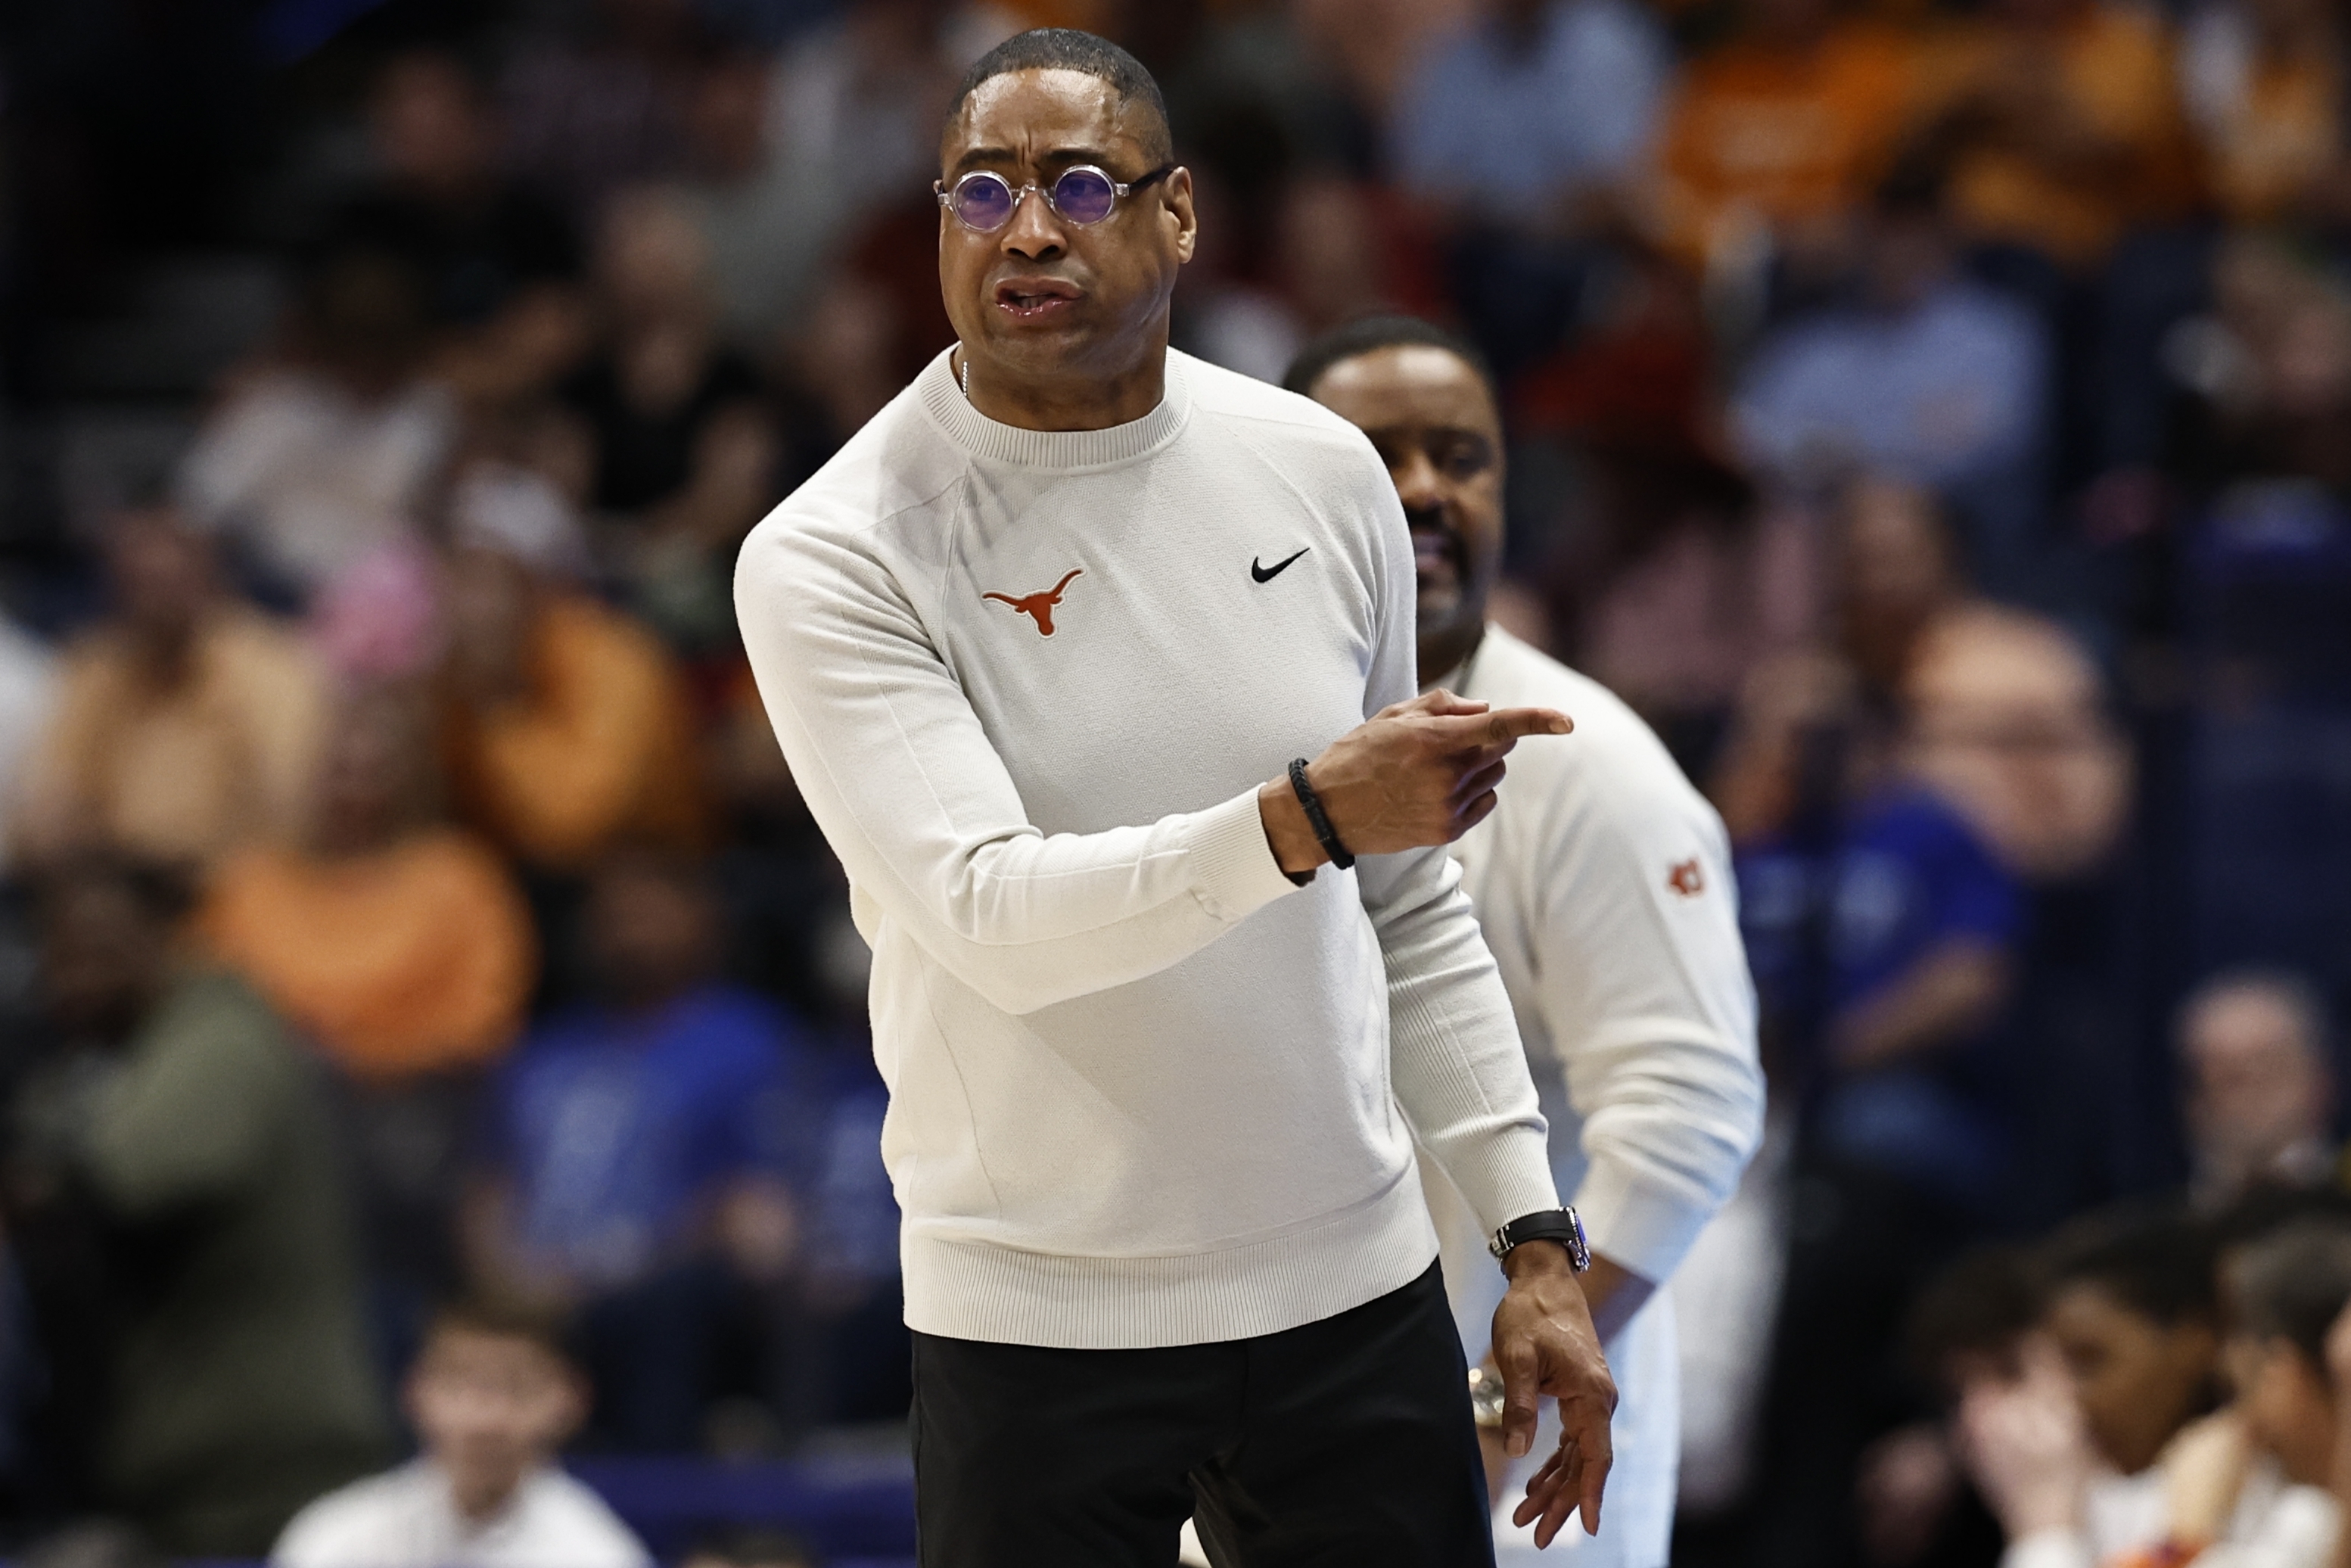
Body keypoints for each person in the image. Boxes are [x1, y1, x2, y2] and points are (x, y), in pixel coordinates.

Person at [732, 28, 1618, 1565]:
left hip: (1350, 1289)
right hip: (1032, 1321)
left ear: (1180, 212)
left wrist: (1528, 1237)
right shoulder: (834, 552)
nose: (1025, 230)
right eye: (979, 192)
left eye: (1078, 184)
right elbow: (990, 916)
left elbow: (1406, 902)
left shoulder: (1320, 469)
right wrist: (1303, 819)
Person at [1287, 314, 1766, 1568]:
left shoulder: (1589, 769)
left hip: (1514, 1482)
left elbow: (1688, 1117)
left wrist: (1500, 1408)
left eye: (1461, 457)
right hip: (1271, 1435)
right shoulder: (1228, 752)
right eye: (1375, 456)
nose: (1424, 491)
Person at [36, 857, 392, 1552]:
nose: (77, 977)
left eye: (103, 950)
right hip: (178, 1466)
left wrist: (41, 1184)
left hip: (273, 1464)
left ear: (168, 937)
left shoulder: (223, 1032)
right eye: (61, 956)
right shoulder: (107, 1061)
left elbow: (137, 1176)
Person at [465, 851, 810, 1450]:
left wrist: (628, 1270)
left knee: (666, 1311)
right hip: (539, 1292)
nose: (629, 933)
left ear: (704, 922)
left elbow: (759, 1209)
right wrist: (512, 1278)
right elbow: (488, 1188)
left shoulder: (749, 1043)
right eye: (613, 917)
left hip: (663, 1289)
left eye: (649, 915)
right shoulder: (544, 1049)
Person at [201, 686, 536, 1081]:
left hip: (410, 1092)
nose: (355, 791)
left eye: (375, 773)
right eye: (341, 769)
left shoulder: (458, 878)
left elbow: (484, 1022)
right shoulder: (252, 882)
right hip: (272, 1083)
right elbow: (208, 996)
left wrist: (364, 1057)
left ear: (412, 777)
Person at [13, 509, 330, 871]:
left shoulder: (271, 670)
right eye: (141, 586)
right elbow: (49, 803)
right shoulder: (96, 670)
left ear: (211, 582)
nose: (157, 604)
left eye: (170, 584)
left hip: (233, 875)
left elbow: (288, 807)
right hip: (119, 879)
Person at [272, 1296, 651, 1568]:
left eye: (516, 1388)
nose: (486, 1419)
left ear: (569, 1401)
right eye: (460, 1384)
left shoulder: (600, 1554)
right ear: (415, 1390)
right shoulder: (334, 1537)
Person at [1957, 1209, 2226, 1568]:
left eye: (2087, 1361)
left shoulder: (2271, 1499)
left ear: (2194, 1343)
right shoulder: (2105, 1498)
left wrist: (2045, 1531)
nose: (2065, 1397)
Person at [2178, 972, 2340, 1212]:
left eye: (2269, 1069)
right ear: (2193, 1102)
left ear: (2320, 1083)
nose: (2250, 1096)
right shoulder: (2148, 1230)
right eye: (2230, 1078)